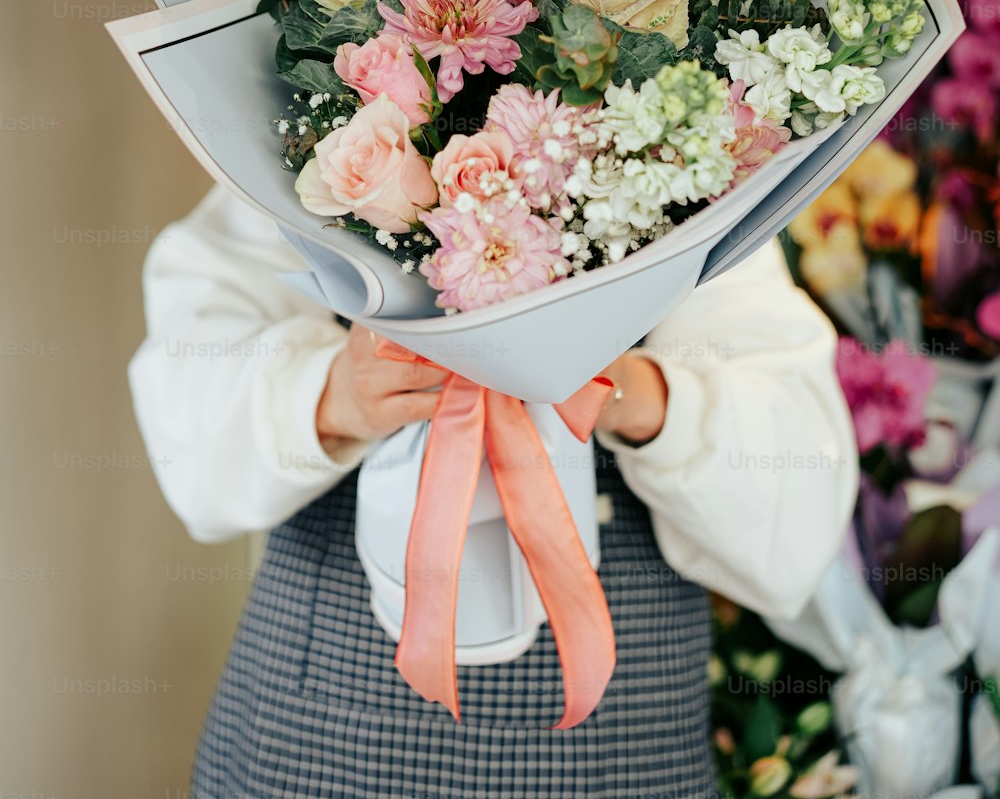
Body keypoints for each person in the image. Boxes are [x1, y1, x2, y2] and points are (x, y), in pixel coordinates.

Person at [131, 183, 857, 798]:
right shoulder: (306, 155)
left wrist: (634, 393)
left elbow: (800, 505)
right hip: (319, 727)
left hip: (622, 744)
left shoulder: (694, 167)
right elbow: (187, 414)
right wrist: (333, 396)